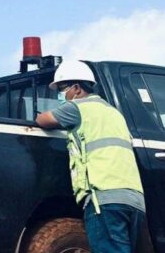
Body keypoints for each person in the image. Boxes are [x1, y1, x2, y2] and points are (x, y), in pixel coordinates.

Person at [36, 60, 145, 253]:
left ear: (77, 88)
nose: (61, 95)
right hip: (134, 200)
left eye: (62, 89)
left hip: (103, 197)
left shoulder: (77, 108)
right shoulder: (114, 113)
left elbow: (43, 119)